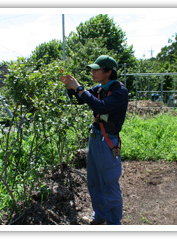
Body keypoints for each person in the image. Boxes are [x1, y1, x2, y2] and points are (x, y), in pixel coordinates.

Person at [60, 55, 128, 225]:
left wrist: (80, 88)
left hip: (108, 141)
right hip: (95, 139)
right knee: (94, 181)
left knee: (110, 183)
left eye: (96, 69)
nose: (92, 71)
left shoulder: (120, 91)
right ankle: (100, 216)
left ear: (108, 72)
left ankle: (114, 224)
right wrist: (71, 88)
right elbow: (79, 101)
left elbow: (101, 106)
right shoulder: (99, 88)